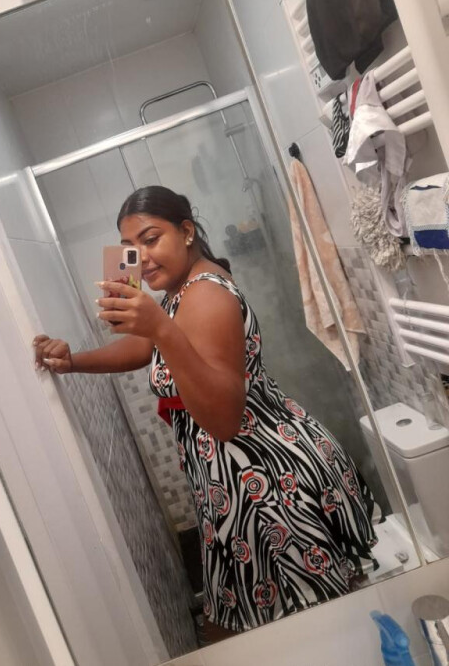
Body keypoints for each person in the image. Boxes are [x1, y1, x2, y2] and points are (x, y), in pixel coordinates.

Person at [33, 185, 377, 642]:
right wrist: (74, 360)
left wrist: (160, 328)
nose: (140, 257)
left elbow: (223, 421)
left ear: (187, 231)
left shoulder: (206, 295)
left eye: (151, 239)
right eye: (129, 247)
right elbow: (145, 347)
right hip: (240, 479)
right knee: (279, 623)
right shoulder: (182, 290)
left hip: (266, 485)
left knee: (310, 626)